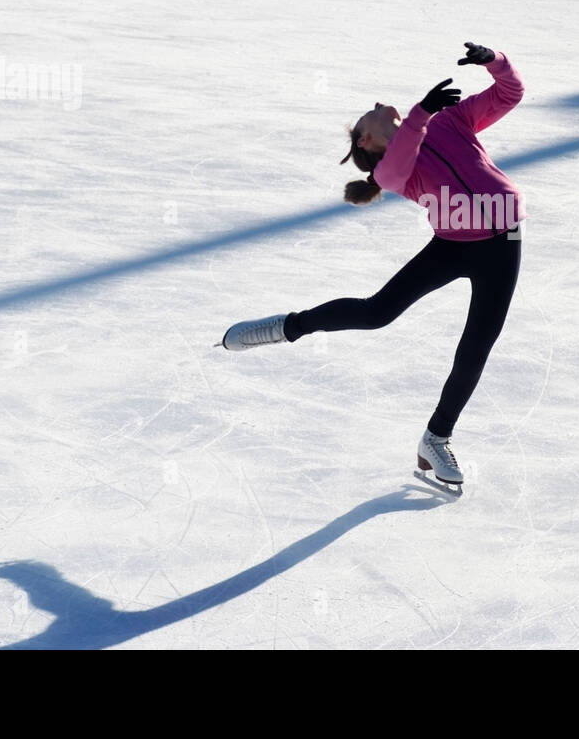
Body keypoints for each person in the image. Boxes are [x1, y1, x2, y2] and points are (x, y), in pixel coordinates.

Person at [220, 42, 527, 492]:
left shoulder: (449, 121)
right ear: (367, 140)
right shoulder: (392, 170)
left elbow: (510, 94)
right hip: (454, 244)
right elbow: (396, 164)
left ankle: (436, 439)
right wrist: (420, 111)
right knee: (375, 312)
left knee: (477, 345)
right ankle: (286, 326)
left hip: (504, 245)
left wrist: (493, 62)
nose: (379, 105)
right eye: (368, 115)